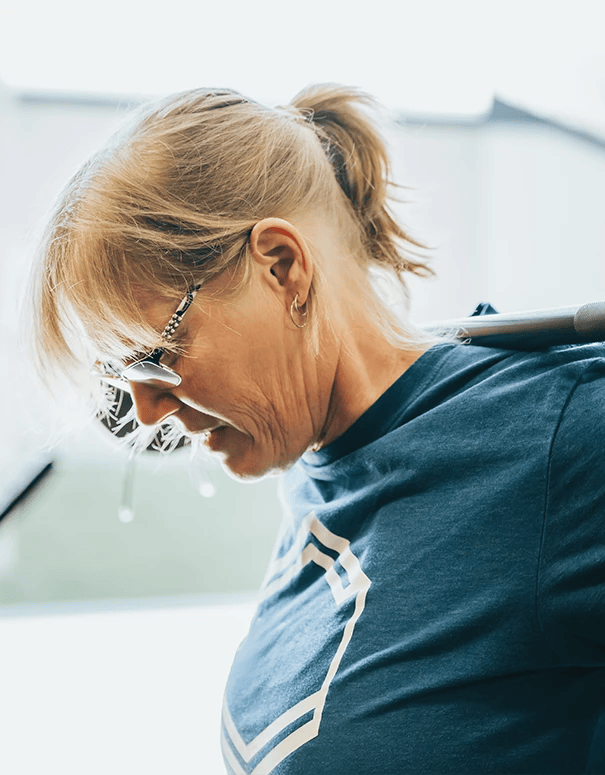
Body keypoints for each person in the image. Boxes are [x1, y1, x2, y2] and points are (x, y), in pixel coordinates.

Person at [31, 85, 604, 774]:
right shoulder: (314, 460)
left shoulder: (560, 439)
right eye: (121, 378)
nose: (147, 412)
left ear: (281, 266)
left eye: (155, 357)